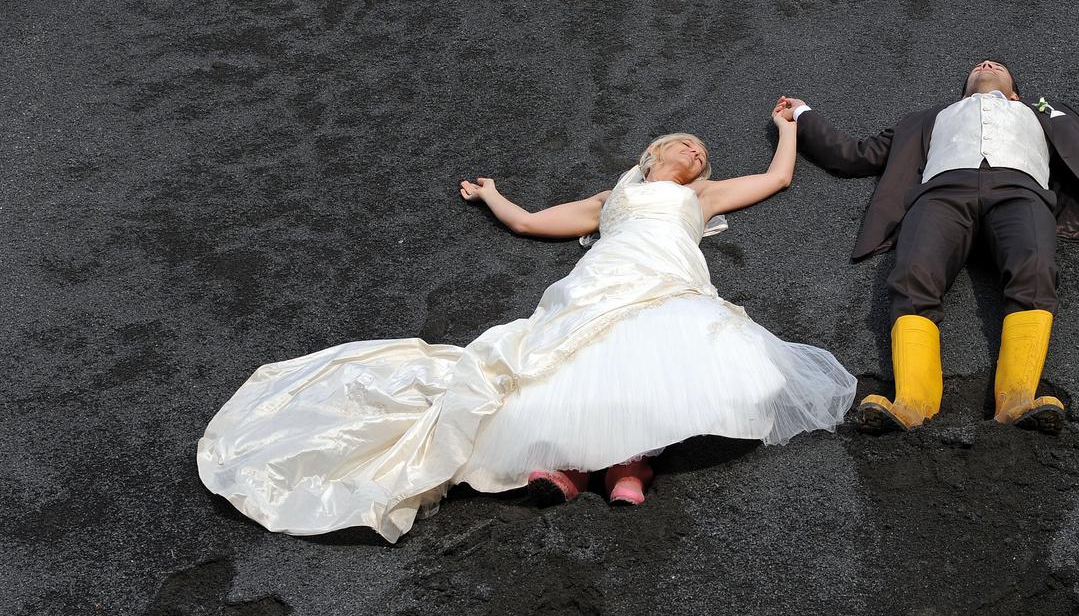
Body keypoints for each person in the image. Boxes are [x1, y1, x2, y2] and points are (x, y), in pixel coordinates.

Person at [196, 104, 854, 542]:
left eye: (701, 151)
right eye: (683, 142)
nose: (693, 149)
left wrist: (789, 123)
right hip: (601, 278)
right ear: (653, 155)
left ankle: (630, 463)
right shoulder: (612, 197)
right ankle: (563, 464)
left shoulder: (700, 196)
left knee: (662, 351)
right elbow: (532, 221)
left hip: (667, 280)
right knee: (563, 356)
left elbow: (778, 176)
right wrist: (491, 195)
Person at [777, 60, 1079, 434]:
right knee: (911, 276)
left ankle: (1018, 397)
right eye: (979, 65)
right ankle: (912, 403)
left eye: (997, 65)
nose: (986, 63)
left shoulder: (1045, 114)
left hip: (1020, 192)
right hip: (940, 195)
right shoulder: (927, 120)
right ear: (964, 87)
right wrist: (803, 115)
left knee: (1037, 270)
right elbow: (853, 155)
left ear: (1016, 91)